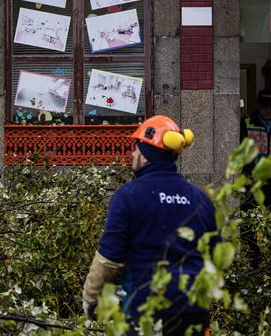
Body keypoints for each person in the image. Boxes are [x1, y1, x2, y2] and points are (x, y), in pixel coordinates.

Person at [82, 115, 217, 335]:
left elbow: (109, 260)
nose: (132, 154)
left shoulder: (128, 196)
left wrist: (90, 298)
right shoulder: (201, 199)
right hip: (194, 312)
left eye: (135, 149)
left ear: (145, 156)